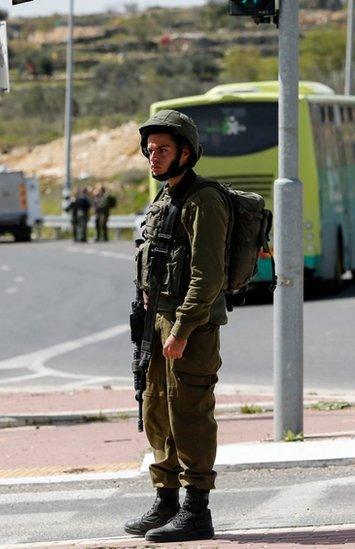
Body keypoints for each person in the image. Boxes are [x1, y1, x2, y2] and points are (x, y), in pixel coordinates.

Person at [126, 110, 229, 543]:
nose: (154, 157)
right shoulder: (165, 198)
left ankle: (195, 509)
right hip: (156, 321)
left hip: (191, 324)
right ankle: (166, 499)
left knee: (189, 413)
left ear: (186, 152)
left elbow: (208, 275)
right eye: (150, 150)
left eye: (163, 150)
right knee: (156, 410)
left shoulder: (204, 200)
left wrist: (182, 329)